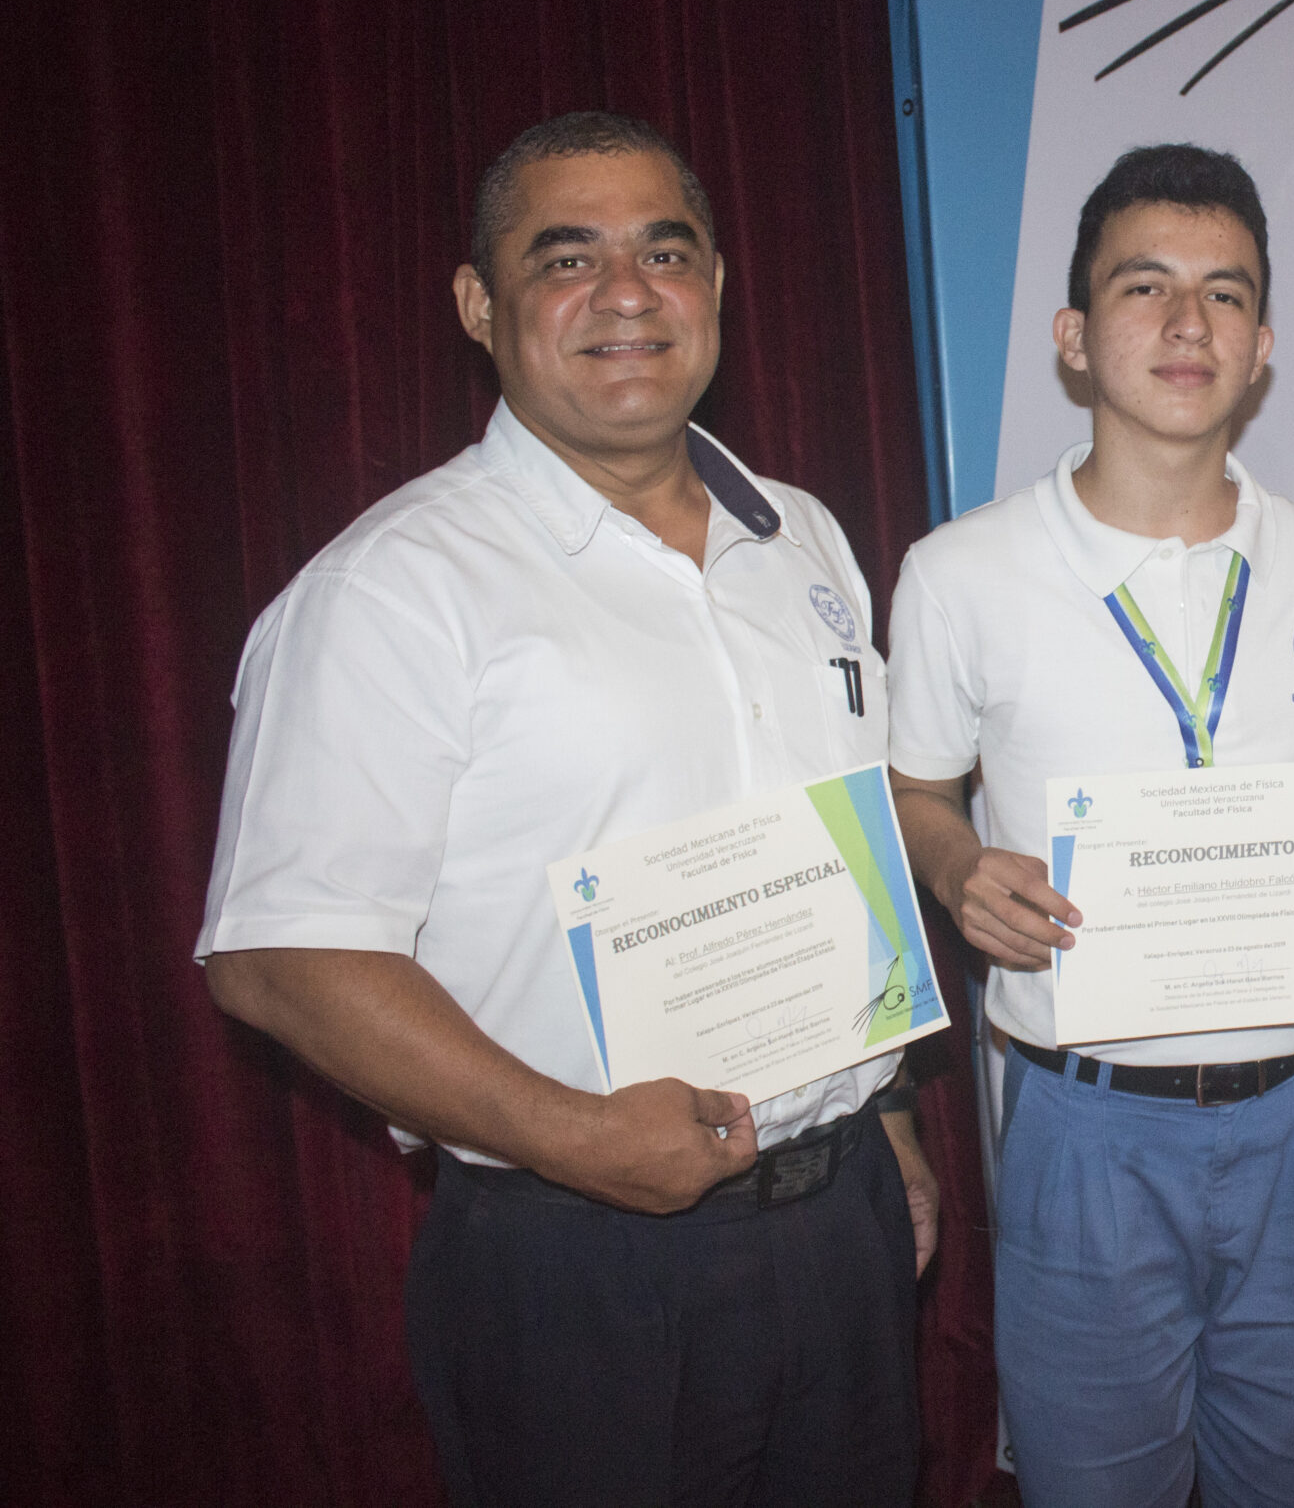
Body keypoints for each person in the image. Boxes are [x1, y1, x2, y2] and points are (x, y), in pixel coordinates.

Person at [196, 111, 935, 1508]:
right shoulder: (394, 587)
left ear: (717, 282)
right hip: (575, 1260)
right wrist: (575, 1134)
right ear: (479, 306)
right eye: (565, 258)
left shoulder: (806, 537)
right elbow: (279, 957)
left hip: (839, 1218)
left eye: (666, 250)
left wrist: (887, 1112)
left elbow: (844, 849)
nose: (627, 293)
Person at [885, 143, 1294, 1508]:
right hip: (1087, 1126)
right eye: (1145, 287)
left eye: (1225, 293)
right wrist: (956, 870)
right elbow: (912, 792)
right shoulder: (960, 570)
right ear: (1075, 336)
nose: (1188, 323)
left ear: (1262, 346)